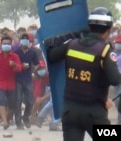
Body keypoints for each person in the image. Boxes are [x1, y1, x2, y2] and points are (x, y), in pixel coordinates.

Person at [46, 7, 121, 141]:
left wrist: (70, 34)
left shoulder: (71, 45)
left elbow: (51, 56)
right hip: (94, 114)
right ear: (109, 30)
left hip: (70, 112)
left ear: (89, 27)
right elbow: (115, 80)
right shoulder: (105, 51)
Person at [0, 36, 22, 130]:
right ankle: (4, 121)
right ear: (1, 44)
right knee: (1, 101)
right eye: (4, 44)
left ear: (11, 45)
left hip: (11, 84)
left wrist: (14, 65)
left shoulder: (15, 57)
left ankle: (6, 120)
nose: (6, 45)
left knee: (12, 105)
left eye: (8, 44)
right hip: (0, 82)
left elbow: (19, 68)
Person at [14, 33, 39, 129]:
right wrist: (19, 66)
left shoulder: (32, 52)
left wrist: (33, 69)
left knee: (30, 101)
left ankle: (26, 117)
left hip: (28, 78)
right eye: (23, 39)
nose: (24, 41)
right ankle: (18, 122)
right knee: (18, 100)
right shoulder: (16, 52)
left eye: (26, 39)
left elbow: (37, 64)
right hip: (18, 78)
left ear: (29, 42)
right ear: (20, 41)